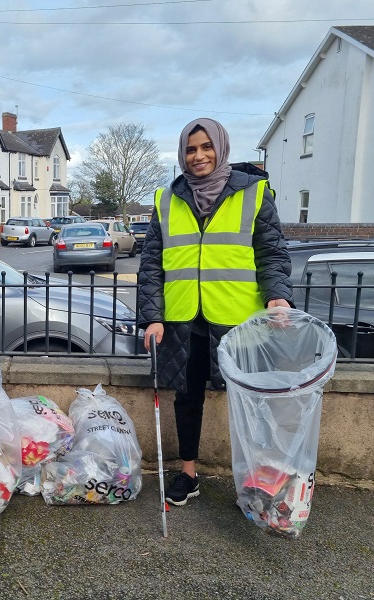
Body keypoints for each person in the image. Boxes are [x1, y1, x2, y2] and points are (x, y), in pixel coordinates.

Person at [137, 118, 293, 507]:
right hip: (184, 320)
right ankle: (188, 474)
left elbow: (271, 253)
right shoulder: (166, 200)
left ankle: (259, 478)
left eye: (206, 146)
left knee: (253, 403)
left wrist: (278, 296)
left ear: (221, 148)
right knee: (187, 399)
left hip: (240, 321)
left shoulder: (254, 192)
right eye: (191, 149)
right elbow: (152, 265)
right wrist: (153, 316)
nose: (199, 155)